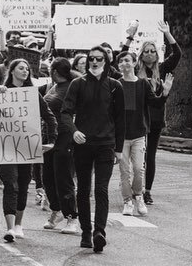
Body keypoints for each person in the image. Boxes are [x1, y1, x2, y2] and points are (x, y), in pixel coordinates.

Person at [61, 45, 124, 253]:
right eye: (91, 59)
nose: (95, 62)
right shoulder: (77, 84)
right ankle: (86, 231)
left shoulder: (115, 86)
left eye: (99, 58)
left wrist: (119, 148)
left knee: (102, 189)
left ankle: (99, 232)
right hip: (83, 144)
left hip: (106, 144)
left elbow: (120, 119)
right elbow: (66, 113)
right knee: (84, 189)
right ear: (88, 62)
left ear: (106, 61)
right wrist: (74, 131)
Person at [0, 59, 57, 242]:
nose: (25, 70)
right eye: (21, 68)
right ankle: (10, 228)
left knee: (22, 184)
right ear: (11, 71)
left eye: (27, 68)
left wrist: (51, 142)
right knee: (10, 185)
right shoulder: (0, 92)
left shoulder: (33, 95)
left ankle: (19, 225)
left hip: (26, 147)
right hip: (5, 147)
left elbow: (50, 118)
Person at [116, 50, 168, 217]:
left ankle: (138, 196)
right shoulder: (116, 84)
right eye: (121, 61)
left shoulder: (143, 84)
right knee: (125, 171)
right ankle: (127, 201)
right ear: (119, 66)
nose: (125, 64)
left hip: (139, 134)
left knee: (138, 169)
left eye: (127, 60)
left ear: (134, 63)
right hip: (121, 136)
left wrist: (164, 93)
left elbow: (155, 102)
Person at [136, 22, 181, 205]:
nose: (149, 54)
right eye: (146, 51)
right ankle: (135, 189)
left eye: (152, 51)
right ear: (141, 53)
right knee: (136, 156)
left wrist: (168, 34)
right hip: (137, 119)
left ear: (157, 54)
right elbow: (117, 62)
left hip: (155, 119)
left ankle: (147, 191)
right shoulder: (134, 69)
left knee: (150, 156)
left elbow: (177, 54)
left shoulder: (162, 69)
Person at [41, 58, 82, 234]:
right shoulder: (54, 87)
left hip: (65, 138)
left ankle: (72, 217)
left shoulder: (72, 88)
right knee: (47, 177)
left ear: (55, 72)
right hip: (49, 138)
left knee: (63, 177)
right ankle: (56, 210)